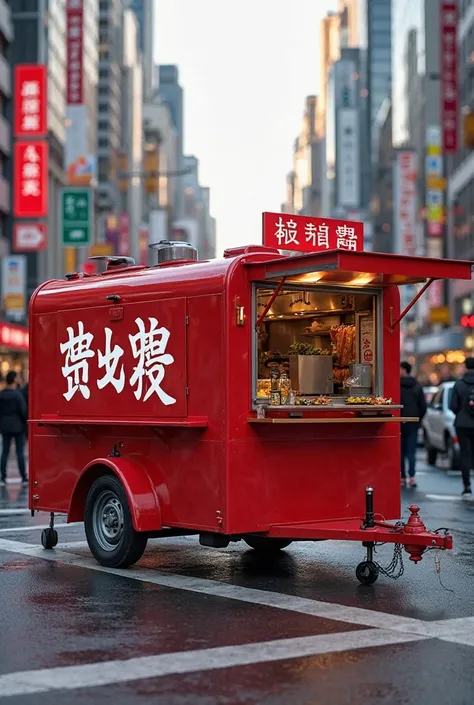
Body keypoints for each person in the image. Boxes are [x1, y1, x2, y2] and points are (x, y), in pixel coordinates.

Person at [449, 356, 474, 497]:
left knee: (465, 454)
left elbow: (453, 406)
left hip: (462, 423)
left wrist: (461, 413)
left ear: (465, 367)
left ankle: (467, 486)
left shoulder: (459, 384)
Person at [400, 361, 427, 488]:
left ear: (404, 370)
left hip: (399, 421)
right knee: (411, 451)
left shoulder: (396, 385)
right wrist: (418, 419)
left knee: (401, 451)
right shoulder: (417, 386)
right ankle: (412, 477)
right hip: (413, 422)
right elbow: (423, 406)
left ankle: (402, 477)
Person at [0, 370, 28, 485]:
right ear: (14, 379)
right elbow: (23, 411)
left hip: (4, 427)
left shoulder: (1, 394)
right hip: (18, 426)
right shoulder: (18, 395)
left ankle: (3, 476)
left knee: (5, 452)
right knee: (20, 452)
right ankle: (23, 475)